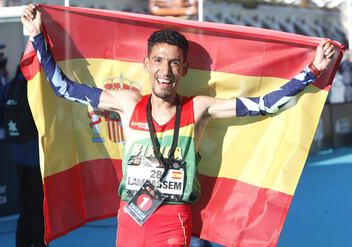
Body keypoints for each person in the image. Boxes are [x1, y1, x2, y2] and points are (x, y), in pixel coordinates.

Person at [21, 3, 336, 246]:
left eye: (174, 62)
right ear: (147, 65)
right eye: (158, 60)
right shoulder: (127, 103)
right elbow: (64, 88)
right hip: (130, 217)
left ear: (184, 68)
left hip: (173, 220)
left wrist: (311, 70)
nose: (165, 70)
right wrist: (37, 37)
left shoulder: (198, 108)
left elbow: (264, 105)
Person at [0, 65, 47, 247]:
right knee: (38, 205)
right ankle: (39, 243)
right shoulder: (40, 85)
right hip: (36, 156)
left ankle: (22, 243)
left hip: (17, 154)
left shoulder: (12, 85)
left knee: (24, 204)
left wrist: (5, 130)